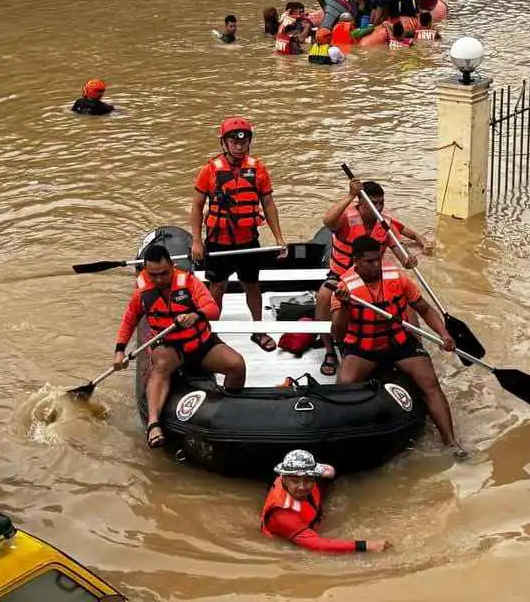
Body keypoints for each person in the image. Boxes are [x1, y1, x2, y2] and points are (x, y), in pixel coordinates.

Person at [331, 236, 464, 457]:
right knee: (344, 386)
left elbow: (424, 309)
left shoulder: (397, 279)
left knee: (430, 382)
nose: (376, 266)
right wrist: (344, 304)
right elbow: (338, 332)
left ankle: (451, 443)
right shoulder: (344, 287)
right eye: (370, 262)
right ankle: (344, 444)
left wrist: (443, 334)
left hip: (398, 343)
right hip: (365, 347)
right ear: (356, 260)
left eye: (378, 260)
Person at [113, 245, 247, 448]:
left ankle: (228, 411)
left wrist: (196, 315)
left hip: (200, 344)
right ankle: (153, 424)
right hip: (169, 347)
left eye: (164, 273)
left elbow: (212, 308)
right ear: (147, 272)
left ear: (172, 266)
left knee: (236, 365)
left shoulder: (189, 282)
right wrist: (119, 351)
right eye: (154, 275)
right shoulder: (142, 292)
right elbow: (129, 320)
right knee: (160, 366)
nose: (159, 279)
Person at [190, 117, 288, 353]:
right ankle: (212, 334)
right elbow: (196, 206)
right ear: (224, 143)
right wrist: (196, 240)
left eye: (244, 139)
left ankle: (259, 330)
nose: (239, 144)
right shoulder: (209, 170)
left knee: (252, 286)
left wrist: (279, 238)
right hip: (218, 241)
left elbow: (268, 203)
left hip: (247, 241)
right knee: (217, 288)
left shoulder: (258, 169)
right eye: (233, 140)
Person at [314, 178, 431, 376]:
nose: (378, 207)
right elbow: (327, 221)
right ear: (360, 203)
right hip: (342, 274)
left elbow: (397, 247)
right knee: (324, 297)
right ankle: (329, 350)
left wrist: (408, 259)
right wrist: (351, 194)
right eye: (373, 203)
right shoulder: (345, 219)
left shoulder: (384, 222)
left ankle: (416, 347)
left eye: (381, 203)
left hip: (373, 274)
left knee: (405, 298)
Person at [261, 449, 391, 554]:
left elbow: (328, 470)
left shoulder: (312, 478)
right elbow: (318, 545)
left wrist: (329, 472)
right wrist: (366, 546)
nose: (302, 487)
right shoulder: (282, 515)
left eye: (307, 480)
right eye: (295, 481)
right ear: (284, 479)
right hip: (293, 539)